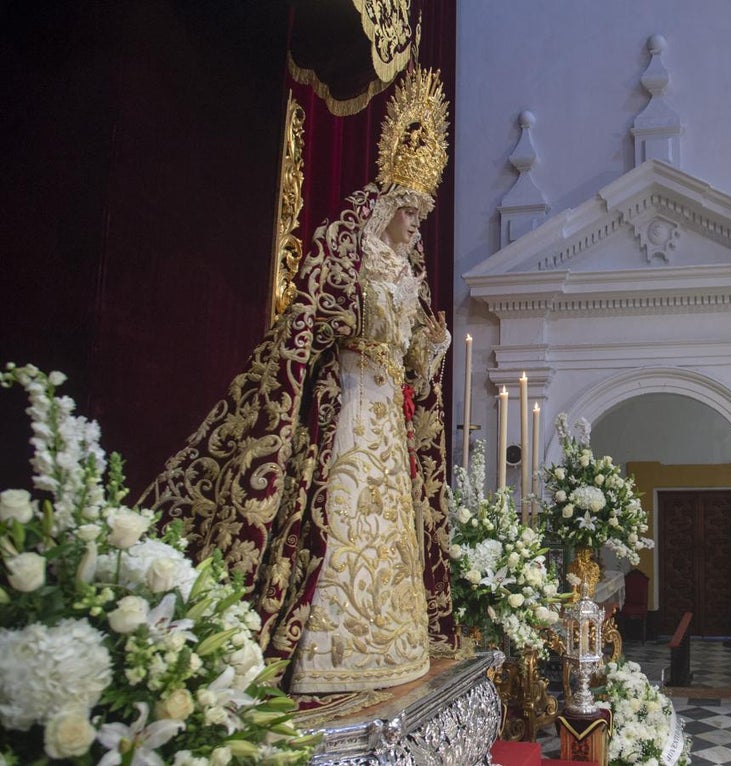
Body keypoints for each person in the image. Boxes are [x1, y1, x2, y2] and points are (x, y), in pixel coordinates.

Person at [141, 66, 453, 695]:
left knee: (390, 522)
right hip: (353, 400)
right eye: (411, 212)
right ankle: (327, 648)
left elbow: (415, 356)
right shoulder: (344, 248)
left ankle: (389, 643)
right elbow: (311, 317)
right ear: (389, 203)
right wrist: (349, 319)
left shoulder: (410, 275)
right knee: (340, 512)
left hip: (387, 407)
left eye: (422, 216)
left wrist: (435, 343)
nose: (416, 226)